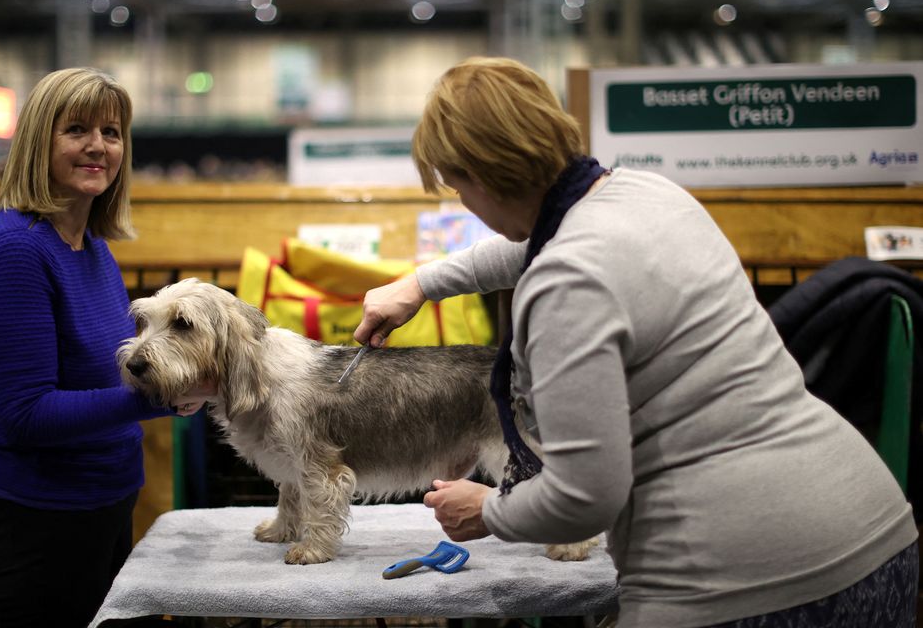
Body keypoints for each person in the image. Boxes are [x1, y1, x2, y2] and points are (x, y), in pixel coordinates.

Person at [353, 56, 918, 628]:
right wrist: (420, 284)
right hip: (876, 531)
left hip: (747, 580)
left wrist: (489, 509)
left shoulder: (567, 281)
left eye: (455, 186)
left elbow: (583, 499)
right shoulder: (646, 194)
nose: (462, 203)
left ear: (484, 175)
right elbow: (548, 243)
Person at [0, 68, 210, 628]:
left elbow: (113, 373)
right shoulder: (15, 251)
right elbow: (27, 414)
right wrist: (164, 400)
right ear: (38, 143)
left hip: (106, 502)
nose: (98, 145)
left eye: (112, 132)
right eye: (76, 129)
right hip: (41, 522)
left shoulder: (90, 245)